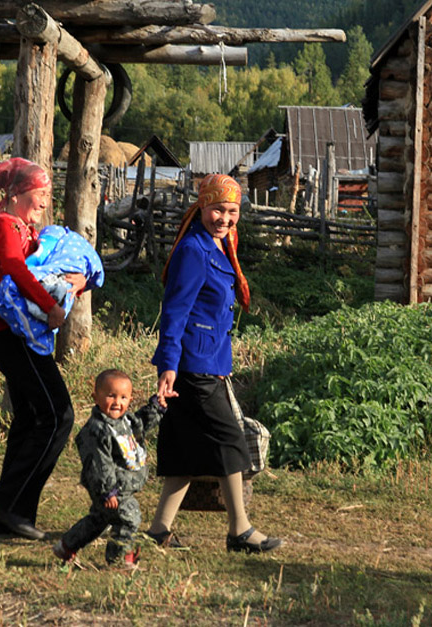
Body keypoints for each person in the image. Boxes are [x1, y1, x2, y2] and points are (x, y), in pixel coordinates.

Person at [145, 173, 282, 554]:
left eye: (232, 211)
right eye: (218, 209)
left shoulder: (219, 245)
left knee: (184, 451)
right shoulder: (194, 250)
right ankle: (240, 531)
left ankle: (158, 532)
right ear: (202, 206)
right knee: (230, 442)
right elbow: (174, 311)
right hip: (194, 365)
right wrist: (168, 366)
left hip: (209, 360)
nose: (224, 218)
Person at [0, 157, 86, 541]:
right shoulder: (6, 226)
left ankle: (11, 512)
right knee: (58, 415)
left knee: (30, 418)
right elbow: (15, 269)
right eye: (40, 193)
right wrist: (52, 305)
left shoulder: (25, 228)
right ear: (18, 193)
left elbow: (44, 270)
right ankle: (11, 502)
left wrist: (77, 283)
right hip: (11, 334)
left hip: (15, 335)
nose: (44, 201)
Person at [53, 369, 163, 569]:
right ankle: (119, 559)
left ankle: (67, 545)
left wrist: (156, 407)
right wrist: (107, 491)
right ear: (96, 396)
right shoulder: (97, 430)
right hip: (111, 488)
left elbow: (141, 424)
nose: (117, 402)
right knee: (129, 516)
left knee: (99, 519)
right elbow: (99, 464)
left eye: (123, 397)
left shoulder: (125, 421)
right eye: (110, 396)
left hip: (121, 485)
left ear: (130, 398)